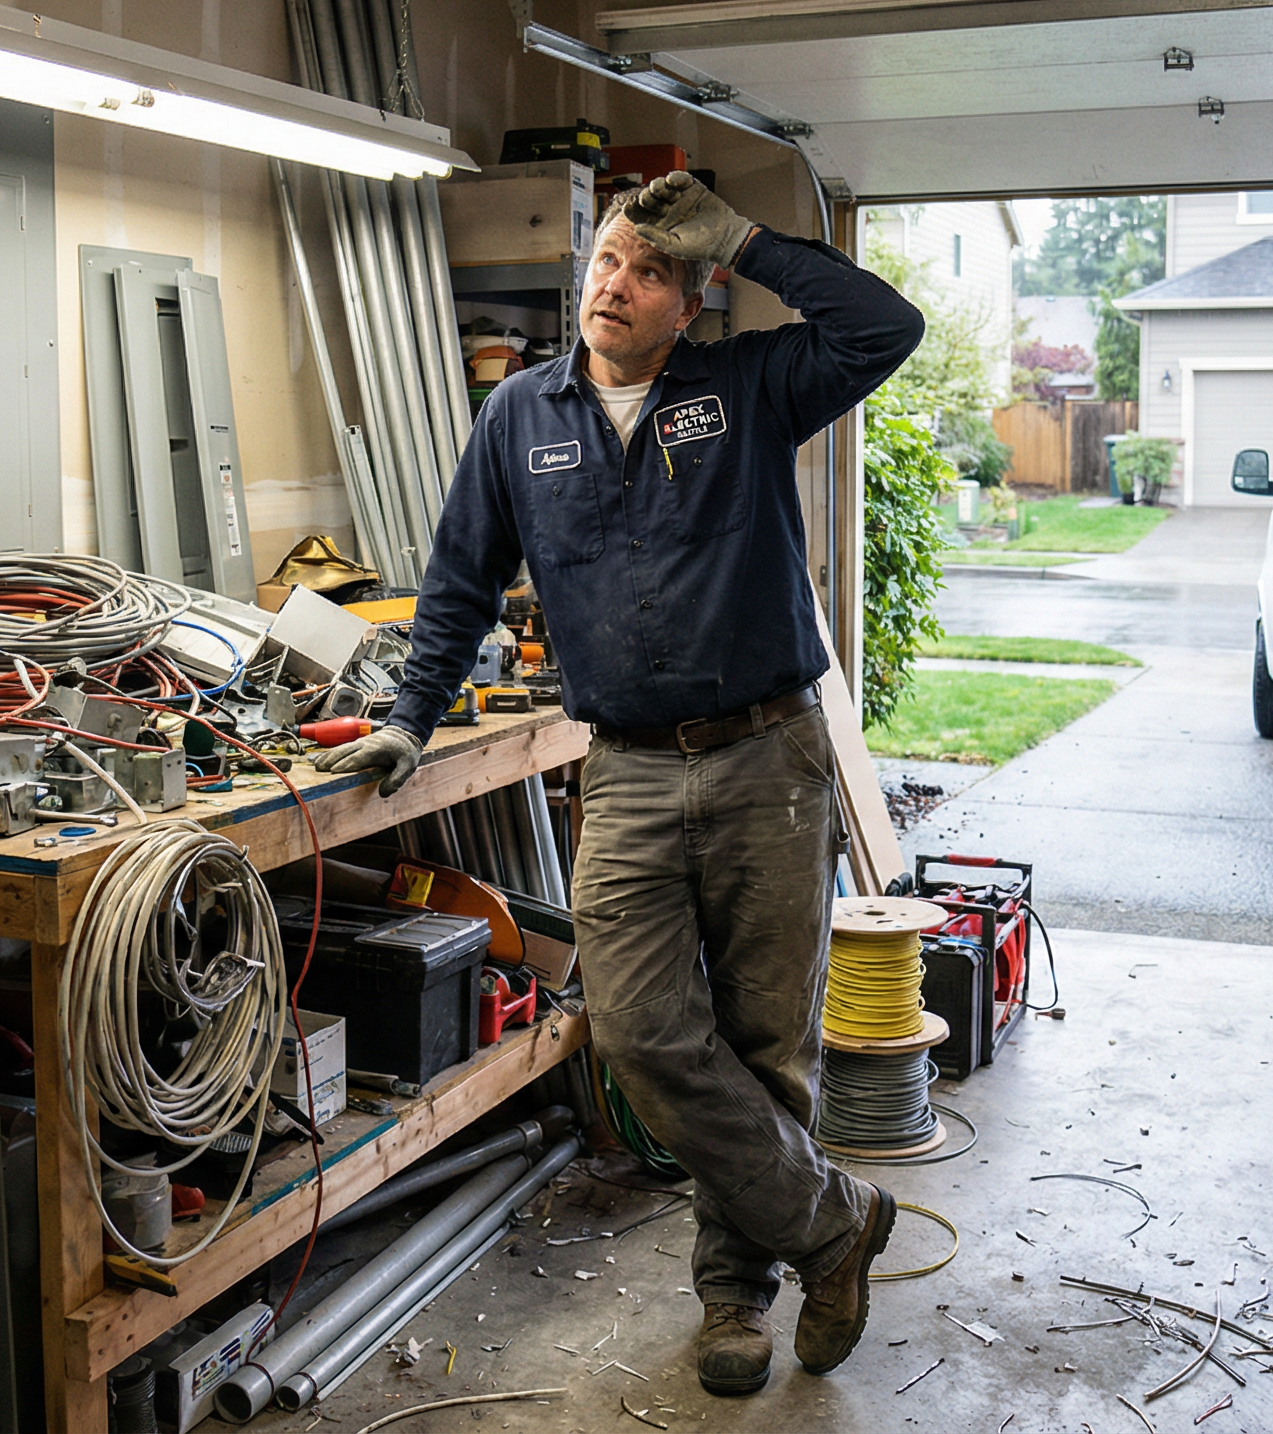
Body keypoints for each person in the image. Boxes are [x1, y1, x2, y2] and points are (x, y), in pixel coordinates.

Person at [312, 171, 924, 1396]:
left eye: (649, 270)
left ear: (693, 298)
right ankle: (829, 1223)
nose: (613, 285)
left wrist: (749, 240)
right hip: (632, 772)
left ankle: (733, 1300)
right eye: (605, 262)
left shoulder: (748, 390)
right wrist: (407, 719)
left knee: (765, 1046)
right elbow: (456, 587)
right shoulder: (518, 417)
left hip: (770, 759)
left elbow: (883, 328)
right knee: (641, 1032)